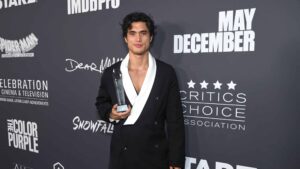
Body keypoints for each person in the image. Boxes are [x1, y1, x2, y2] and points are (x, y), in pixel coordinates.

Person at [95, 12, 185, 169]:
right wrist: (111, 113)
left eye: (143, 33)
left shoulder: (165, 73)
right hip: (121, 157)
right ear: (125, 38)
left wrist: (176, 161)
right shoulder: (111, 72)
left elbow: (175, 121)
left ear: (150, 38)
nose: (138, 39)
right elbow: (101, 103)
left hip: (156, 157)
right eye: (132, 33)